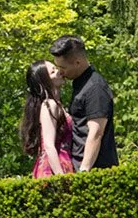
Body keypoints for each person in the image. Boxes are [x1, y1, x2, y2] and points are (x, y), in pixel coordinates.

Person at [48, 36, 118, 171]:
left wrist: (84, 171)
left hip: (95, 171)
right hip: (78, 165)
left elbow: (96, 132)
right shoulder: (80, 83)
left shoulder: (95, 88)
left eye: (62, 67)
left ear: (78, 62)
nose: (60, 72)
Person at [20, 60, 73, 177]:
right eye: (53, 72)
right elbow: (49, 145)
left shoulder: (56, 104)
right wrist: (61, 177)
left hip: (61, 163)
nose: (59, 72)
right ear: (44, 82)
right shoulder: (49, 105)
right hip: (53, 168)